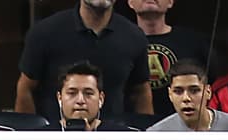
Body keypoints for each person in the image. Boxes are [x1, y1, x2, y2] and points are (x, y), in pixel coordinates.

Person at [14, 0, 152, 123]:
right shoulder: (44, 33)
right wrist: (28, 134)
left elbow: (141, 92)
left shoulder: (134, 37)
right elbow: (26, 88)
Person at [128, 0, 213, 119]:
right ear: (130, 2)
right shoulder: (122, 42)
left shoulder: (194, 41)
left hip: (186, 124)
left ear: (170, 2)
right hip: (135, 126)